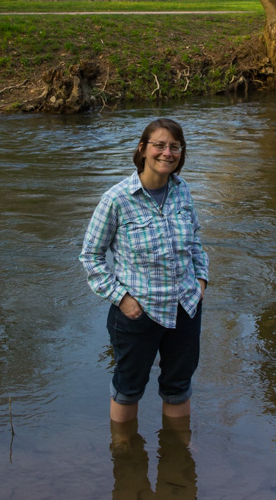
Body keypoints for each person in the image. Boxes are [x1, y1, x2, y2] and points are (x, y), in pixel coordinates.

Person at [80, 118, 209, 423]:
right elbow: (91, 257)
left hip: (186, 308)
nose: (168, 153)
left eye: (175, 147)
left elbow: (196, 242)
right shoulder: (116, 200)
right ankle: (125, 456)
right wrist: (121, 299)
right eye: (160, 145)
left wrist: (201, 281)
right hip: (138, 313)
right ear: (142, 149)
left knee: (178, 387)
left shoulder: (182, 190)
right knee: (128, 388)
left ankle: (178, 454)